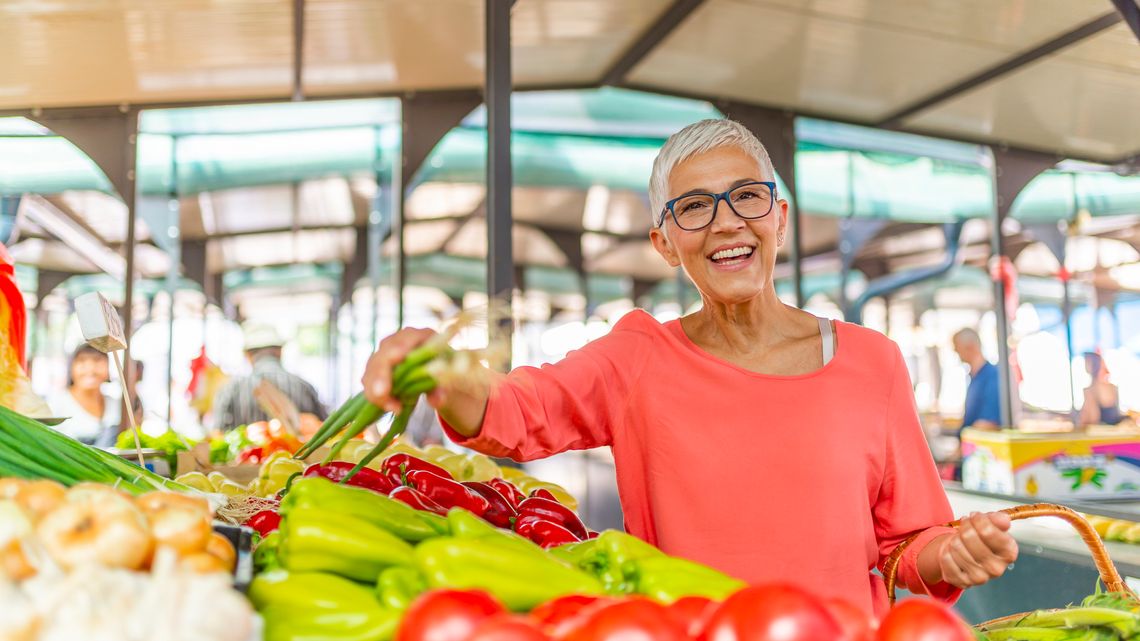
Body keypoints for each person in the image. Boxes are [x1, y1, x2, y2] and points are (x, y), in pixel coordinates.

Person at [362, 119, 1017, 616]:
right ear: (665, 243)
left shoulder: (873, 363)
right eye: (695, 207)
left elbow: (907, 545)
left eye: (747, 197)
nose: (727, 223)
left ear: (779, 219)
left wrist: (952, 551)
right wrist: (442, 372)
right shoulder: (637, 357)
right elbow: (521, 410)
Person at [212, 323, 325, 429]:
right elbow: (324, 430)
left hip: (244, 450)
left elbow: (219, 433)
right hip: (298, 451)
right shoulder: (304, 387)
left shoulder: (231, 389)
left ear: (248, 355)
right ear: (280, 351)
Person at [46, 344, 122, 446]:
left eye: (97, 360)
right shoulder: (55, 404)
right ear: (71, 368)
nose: (90, 369)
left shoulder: (118, 405)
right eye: (82, 361)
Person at [952, 328, 1001, 431]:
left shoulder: (992, 375)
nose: (955, 351)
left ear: (970, 346)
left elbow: (989, 423)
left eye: (957, 346)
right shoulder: (974, 377)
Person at [1080, 352, 1123, 426]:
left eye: (1087, 363)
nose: (1084, 366)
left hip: (1101, 433)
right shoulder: (1112, 387)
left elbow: (1093, 419)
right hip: (1116, 431)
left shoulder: (1090, 390)